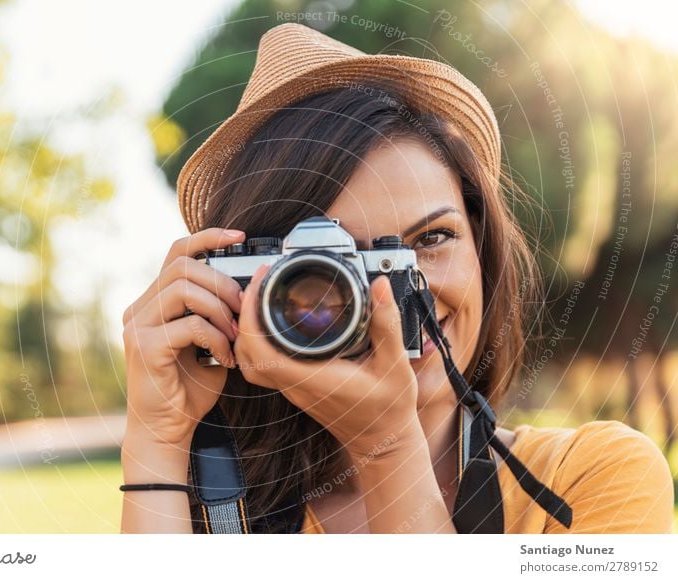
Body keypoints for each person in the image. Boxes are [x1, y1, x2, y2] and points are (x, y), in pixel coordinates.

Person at [120, 23, 674, 534]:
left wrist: (386, 447)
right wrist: (158, 438)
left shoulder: (589, 480)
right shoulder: (210, 512)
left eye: (430, 240)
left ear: (482, 249)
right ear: (251, 293)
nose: (391, 297)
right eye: (339, 269)